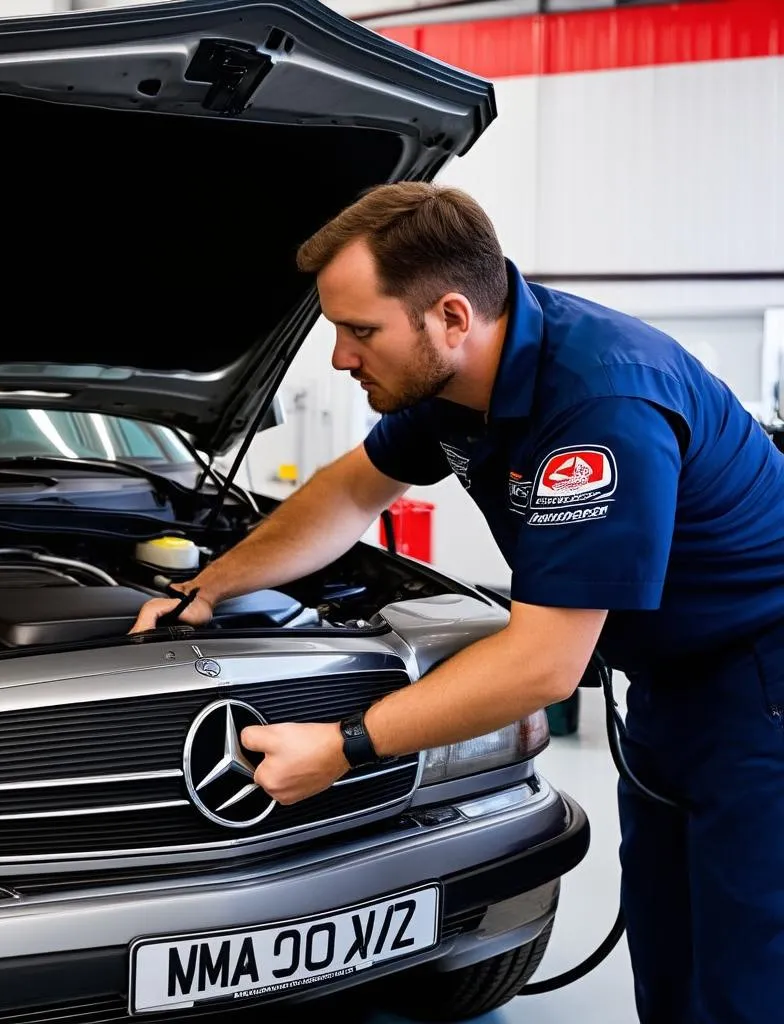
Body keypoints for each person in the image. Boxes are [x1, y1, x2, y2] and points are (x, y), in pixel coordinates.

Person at [129, 182, 784, 1024]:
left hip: (761, 684)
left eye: (359, 330)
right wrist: (209, 586)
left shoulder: (598, 404)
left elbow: (545, 664)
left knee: (748, 968)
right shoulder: (448, 383)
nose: (339, 357)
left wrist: (344, 746)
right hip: (673, 684)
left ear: (449, 316)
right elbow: (349, 494)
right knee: (670, 948)